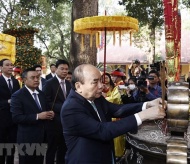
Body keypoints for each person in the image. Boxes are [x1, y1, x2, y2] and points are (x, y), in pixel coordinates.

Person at [60, 64, 166, 164]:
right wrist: (143, 115)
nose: (101, 86)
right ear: (78, 86)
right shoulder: (71, 108)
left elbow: (117, 110)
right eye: (95, 82)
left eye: (101, 81)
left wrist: (147, 105)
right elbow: (103, 131)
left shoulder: (96, 98)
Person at [10, 68, 55, 164]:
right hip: (27, 139)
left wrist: (50, 114)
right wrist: (37, 116)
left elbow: (45, 110)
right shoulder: (17, 96)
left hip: (42, 138)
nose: (36, 80)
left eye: (38, 77)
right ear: (24, 80)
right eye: (33, 77)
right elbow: (16, 117)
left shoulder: (42, 94)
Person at [43, 59, 71, 164]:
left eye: (66, 69)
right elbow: (46, 101)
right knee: (52, 148)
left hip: (66, 122)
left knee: (63, 149)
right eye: (62, 69)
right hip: (53, 121)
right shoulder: (49, 83)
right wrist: (63, 107)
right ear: (56, 69)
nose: (64, 71)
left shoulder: (69, 84)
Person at [0, 59, 20, 164]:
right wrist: (7, 101)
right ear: (1, 67)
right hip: (2, 120)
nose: (10, 67)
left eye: (11, 65)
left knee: (11, 147)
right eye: (7, 65)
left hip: (13, 120)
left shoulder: (16, 81)